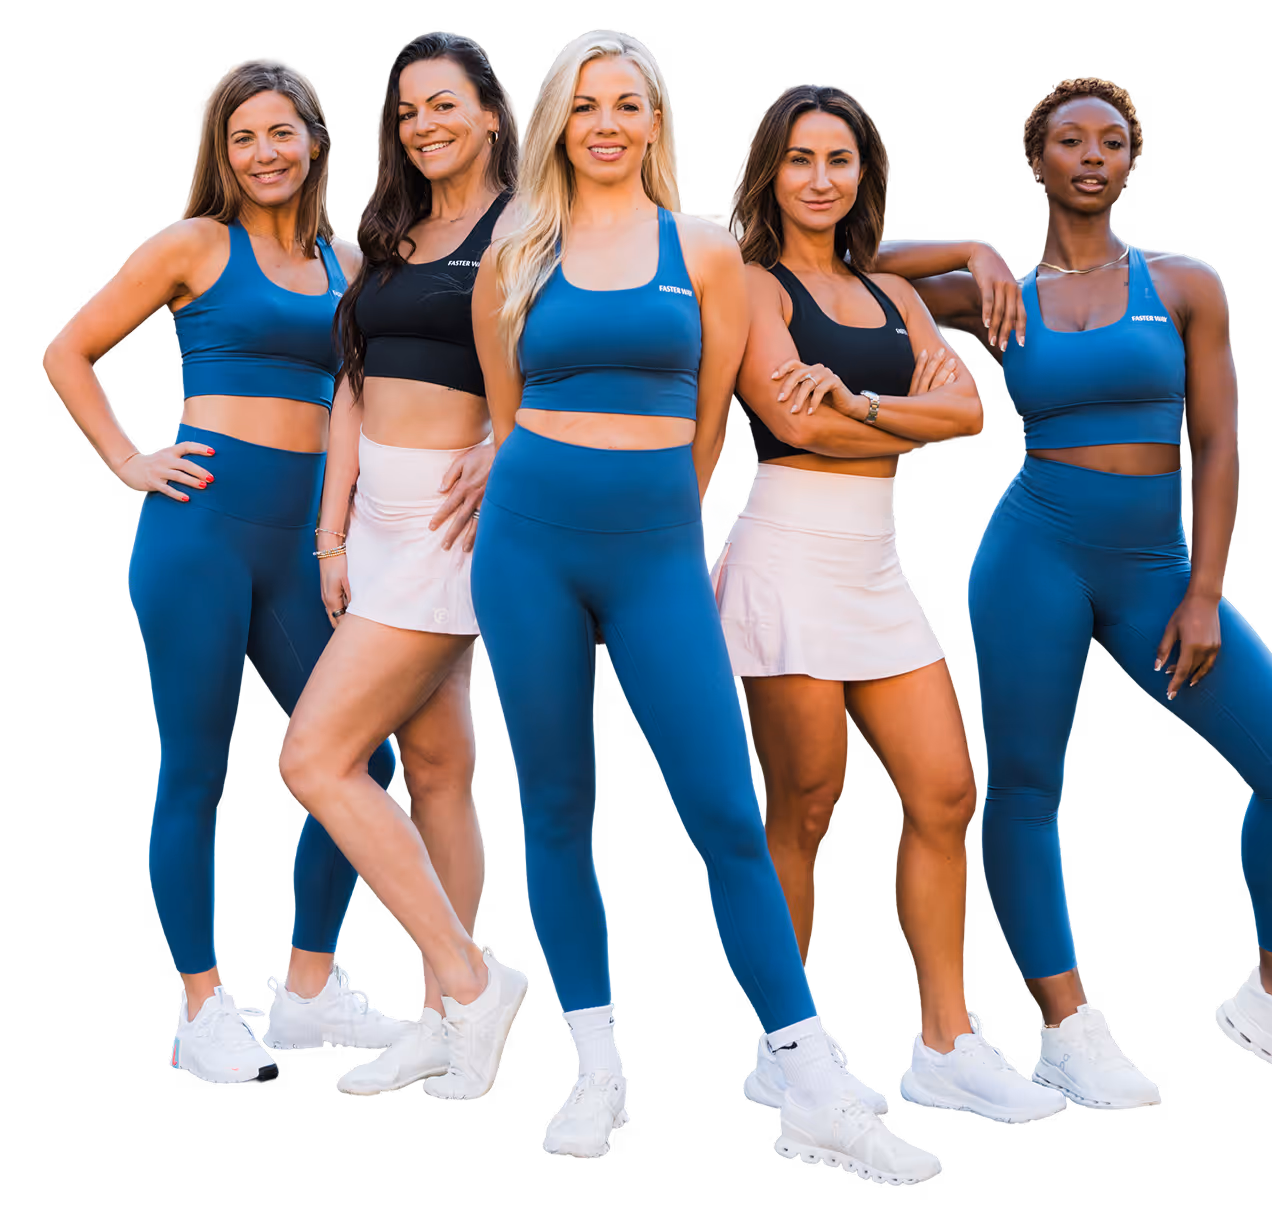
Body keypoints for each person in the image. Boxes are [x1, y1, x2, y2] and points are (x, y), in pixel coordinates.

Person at [469, 29, 943, 1181]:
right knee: (557, 808)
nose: (607, 124)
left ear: (658, 123)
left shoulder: (709, 250)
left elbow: (718, 419)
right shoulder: (514, 252)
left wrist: (659, 530)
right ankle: (597, 1067)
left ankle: (811, 1076)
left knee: (727, 810)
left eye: (629, 103)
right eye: (586, 106)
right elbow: (501, 416)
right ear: (556, 126)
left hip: (657, 557)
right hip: (526, 546)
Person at [873, 76, 1272, 1092]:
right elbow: (829, 265)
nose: (1091, 155)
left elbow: (1219, 439)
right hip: (1032, 555)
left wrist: (1204, 589)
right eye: (1069, 141)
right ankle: (1068, 1026)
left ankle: (1263, 994)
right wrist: (971, 249)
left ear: (1133, 163)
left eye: (1111, 141)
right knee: (1028, 790)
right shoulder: (996, 295)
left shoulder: (1186, 283)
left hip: (1159, 571)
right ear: (1037, 161)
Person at [42, 56, 407, 1085]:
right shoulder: (192, 245)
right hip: (196, 538)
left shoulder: (352, 262)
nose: (264, 152)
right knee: (197, 771)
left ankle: (305, 990)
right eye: (243, 137)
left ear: (316, 140)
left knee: (360, 764)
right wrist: (127, 459)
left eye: (281, 132)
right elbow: (67, 350)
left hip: (304, 547)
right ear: (221, 153)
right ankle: (201, 1004)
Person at [712, 83, 1068, 1124]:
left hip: (878, 565)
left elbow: (967, 413)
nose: (821, 179)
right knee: (807, 805)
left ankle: (946, 1042)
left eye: (841, 160)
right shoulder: (750, 282)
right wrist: (895, 420)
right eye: (801, 159)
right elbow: (791, 420)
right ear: (769, 171)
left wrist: (864, 404)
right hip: (784, 555)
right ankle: (788, 1046)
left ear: (864, 174)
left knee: (947, 793)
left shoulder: (891, 293)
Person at [277, 40, 531, 1104]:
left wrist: (509, 441)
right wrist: (331, 535)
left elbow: (562, 360)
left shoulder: (528, 228)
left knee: (315, 758)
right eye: (407, 109)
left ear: (489, 113)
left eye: (445, 105)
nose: (424, 124)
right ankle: (441, 1023)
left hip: (449, 527)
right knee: (435, 769)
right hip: (372, 527)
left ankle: (474, 982)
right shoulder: (393, 234)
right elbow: (352, 384)